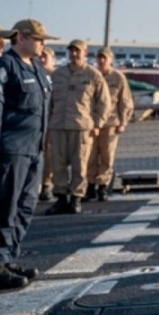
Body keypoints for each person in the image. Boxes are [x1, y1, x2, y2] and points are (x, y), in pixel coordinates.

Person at [0, 20, 55, 289]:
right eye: (38, 38)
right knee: (5, 208)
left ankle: (9, 257)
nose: (43, 43)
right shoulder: (6, 65)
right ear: (20, 38)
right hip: (12, 149)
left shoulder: (38, 68)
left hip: (34, 150)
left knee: (25, 207)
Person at [47, 39, 111, 215]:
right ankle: (61, 198)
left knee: (80, 165)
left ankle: (76, 198)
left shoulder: (93, 75)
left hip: (81, 127)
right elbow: (49, 102)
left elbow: (104, 103)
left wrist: (97, 123)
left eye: (78, 51)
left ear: (85, 53)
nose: (74, 54)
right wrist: (47, 124)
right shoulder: (57, 75)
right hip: (58, 126)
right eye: (72, 51)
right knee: (57, 164)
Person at [85, 47, 134, 202]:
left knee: (107, 156)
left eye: (104, 58)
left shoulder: (118, 78)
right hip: (92, 123)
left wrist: (123, 121)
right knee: (90, 156)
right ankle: (90, 185)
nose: (101, 61)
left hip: (111, 122)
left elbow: (125, 101)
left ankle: (103, 186)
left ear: (110, 59)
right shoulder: (91, 75)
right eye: (99, 58)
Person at [37, 48, 56, 202]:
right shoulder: (34, 73)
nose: (42, 59)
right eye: (40, 56)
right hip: (35, 122)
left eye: (45, 57)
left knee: (50, 156)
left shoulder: (59, 76)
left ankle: (47, 185)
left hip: (53, 122)